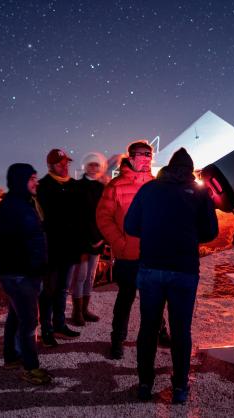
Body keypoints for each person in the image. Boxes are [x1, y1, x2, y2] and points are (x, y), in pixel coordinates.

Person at [124, 148, 218, 404]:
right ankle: (179, 388)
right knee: (180, 331)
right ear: (190, 170)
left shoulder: (148, 190)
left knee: (148, 328)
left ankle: (144, 385)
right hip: (184, 270)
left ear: (167, 168)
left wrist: (155, 229)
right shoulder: (199, 193)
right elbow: (211, 232)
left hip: (151, 268)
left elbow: (130, 226)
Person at [96, 140, 171, 360]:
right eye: (142, 154)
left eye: (150, 155)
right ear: (131, 158)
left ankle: (160, 332)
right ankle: (117, 340)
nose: (147, 159)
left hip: (152, 255)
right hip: (127, 256)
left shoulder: (156, 185)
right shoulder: (116, 186)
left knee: (156, 298)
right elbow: (103, 218)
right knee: (125, 299)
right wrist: (119, 242)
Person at [0, 163, 52, 385]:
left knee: (15, 315)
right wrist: (33, 269)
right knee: (29, 323)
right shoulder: (21, 208)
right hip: (22, 275)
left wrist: (2, 264)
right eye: (32, 178)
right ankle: (31, 368)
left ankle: (11, 356)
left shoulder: (7, 206)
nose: (36, 182)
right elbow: (31, 243)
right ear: (20, 180)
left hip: (10, 274)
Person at [37, 148, 83, 347]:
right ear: (50, 166)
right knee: (48, 290)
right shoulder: (42, 186)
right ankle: (46, 330)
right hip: (51, 249)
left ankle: (59, 325)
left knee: (63, 289)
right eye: (60, 164)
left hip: (69, 248)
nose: (65, 167)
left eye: (66, 163)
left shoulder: (73, 186)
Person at [70, 152, 108, 326]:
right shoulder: (77, 186)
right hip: (82, 241)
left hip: (98, 240)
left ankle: (85, 309)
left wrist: (101, 238)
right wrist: (90, 237)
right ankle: (76, 312)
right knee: (80, 275)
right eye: (91, 165)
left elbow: (105, 215)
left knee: (91, 276)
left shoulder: (102, 188)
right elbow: (77, 216)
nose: (93, 168)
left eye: (96, 165)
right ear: (85, 166)